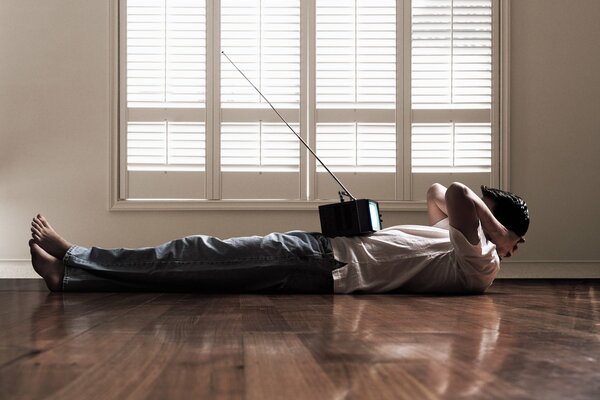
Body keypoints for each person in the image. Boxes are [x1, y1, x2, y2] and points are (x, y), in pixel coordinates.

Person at [29, 182, 529, 294]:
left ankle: (74, 260)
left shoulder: (481, 261)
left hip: (323, 265)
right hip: (320, 252)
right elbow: (440, 192)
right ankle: (72, 273)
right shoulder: (457, 236)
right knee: (199, 267)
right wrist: (494, 222)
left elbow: (461, 195)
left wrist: (500, 232)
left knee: (196, 256)